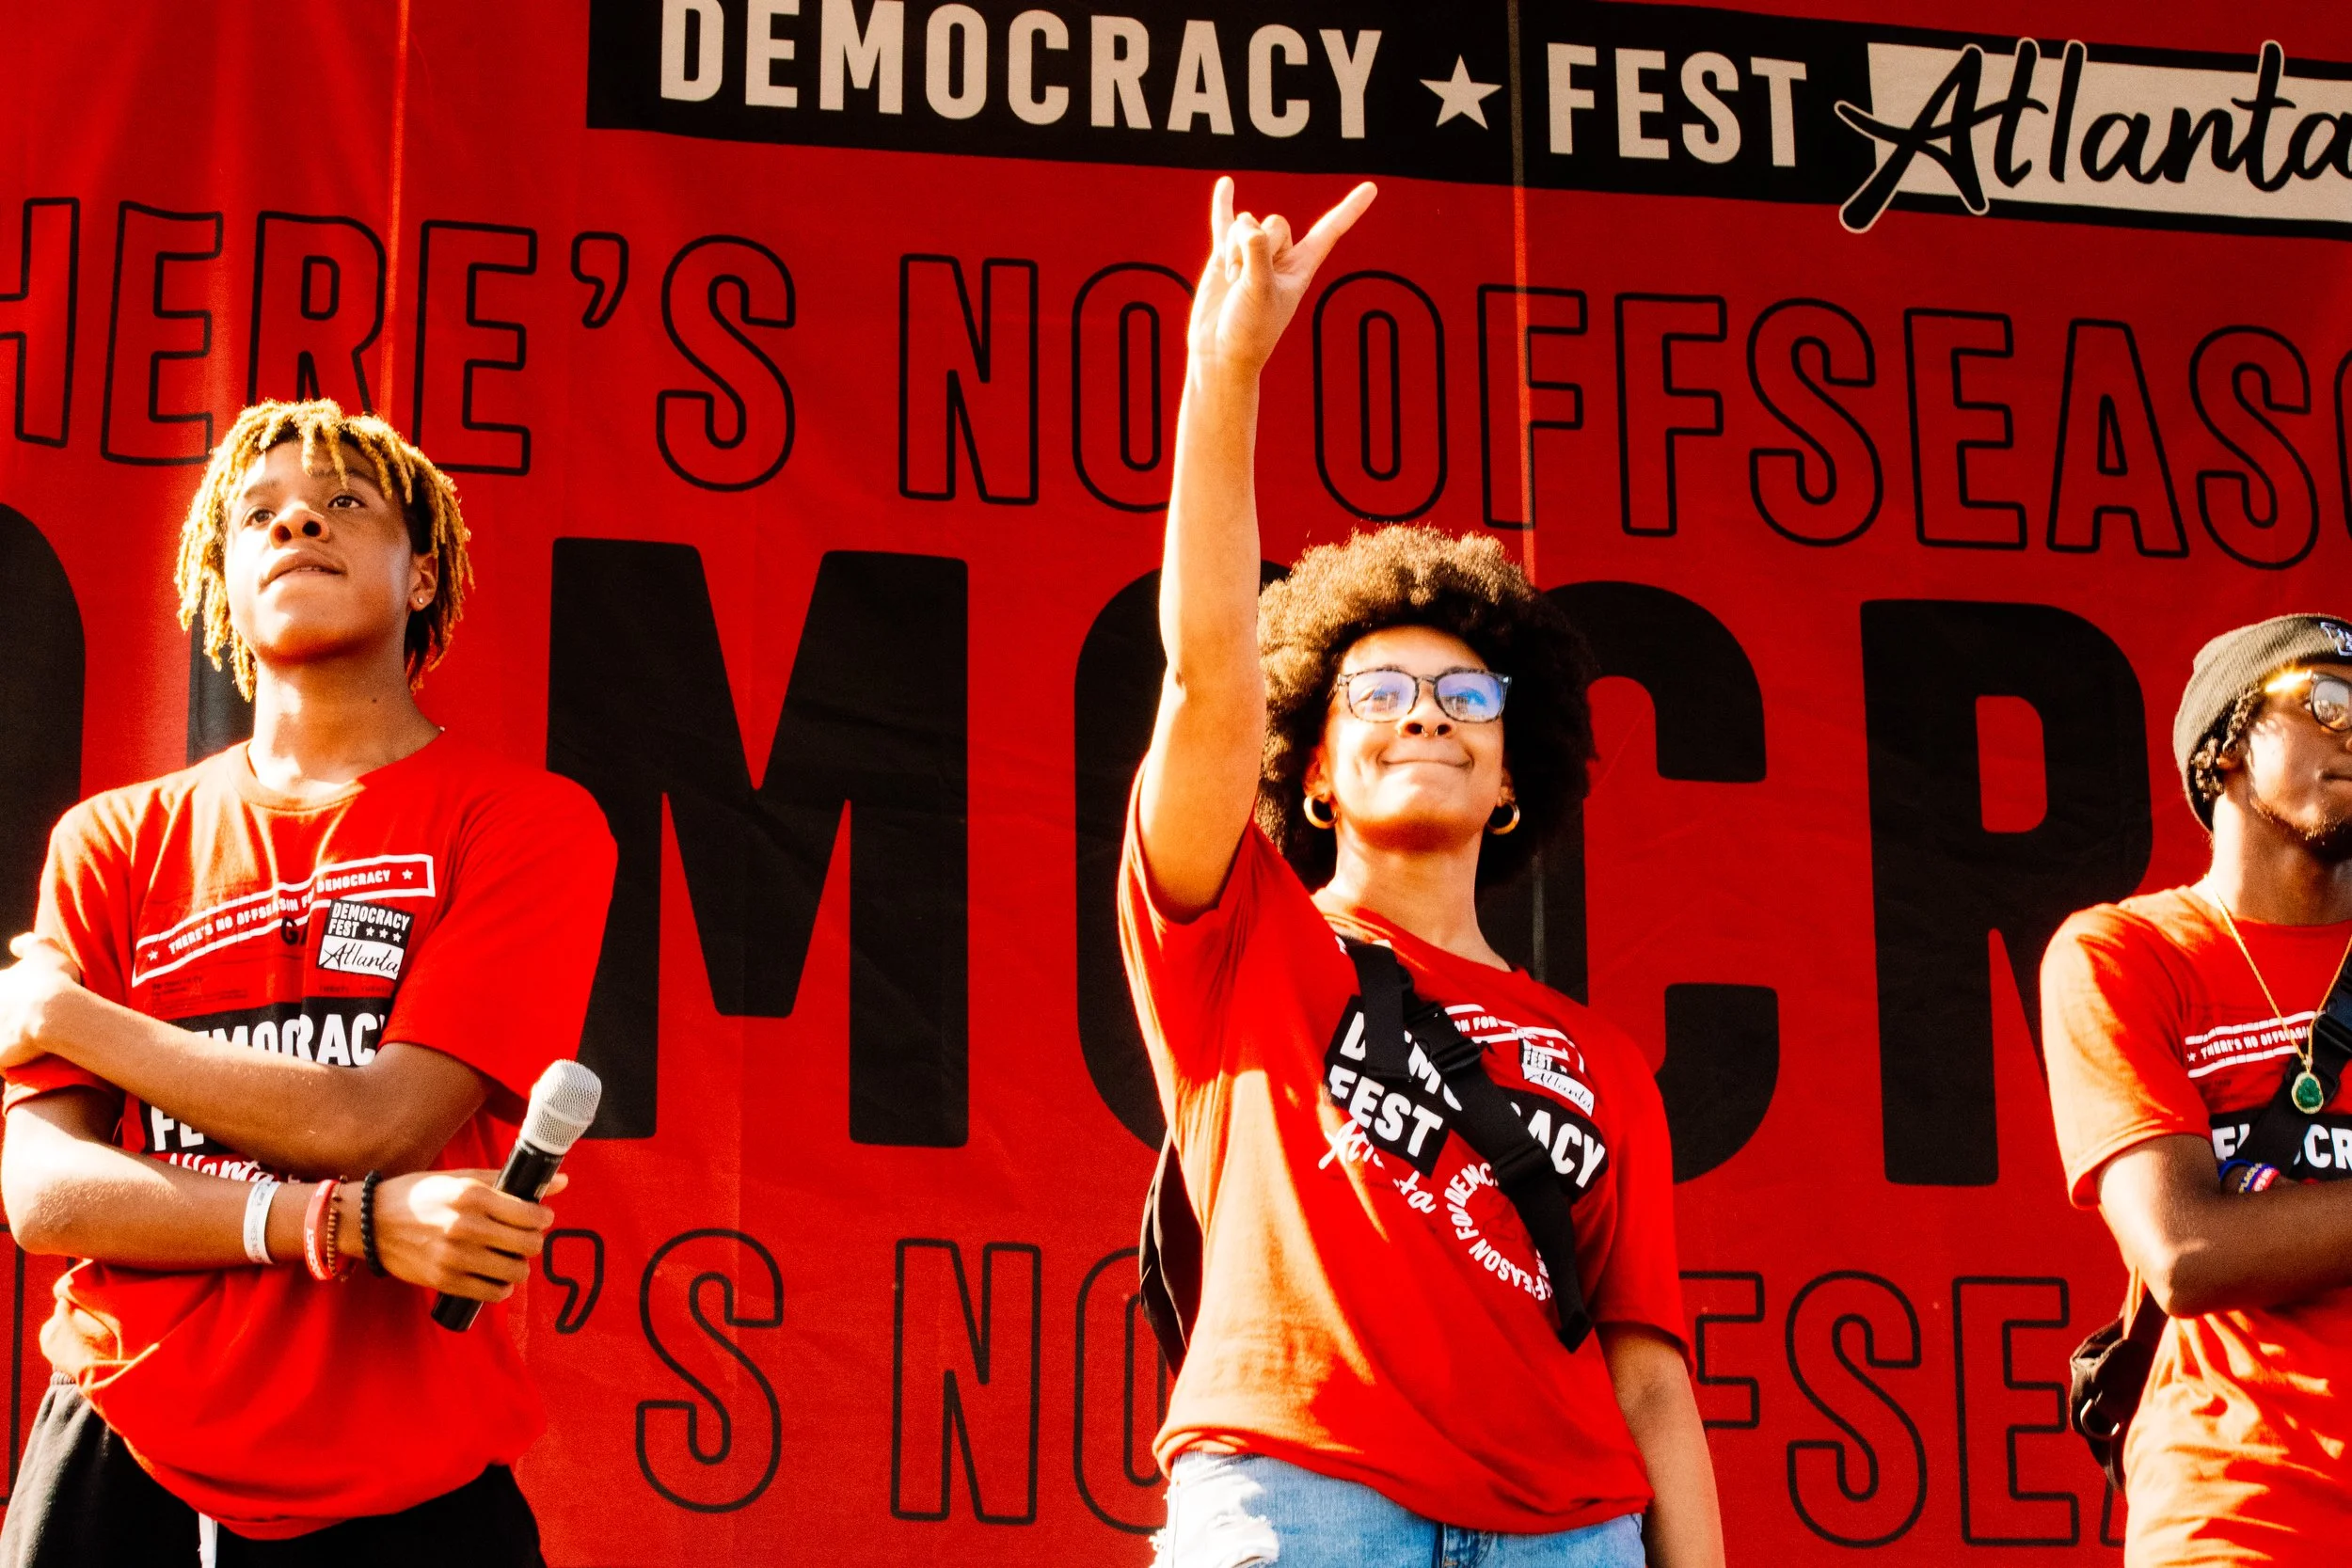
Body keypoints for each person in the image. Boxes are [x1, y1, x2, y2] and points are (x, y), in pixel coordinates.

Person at [1120, 178, 1723, 1568]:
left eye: (1468, 698)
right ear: (1312, 769)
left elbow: (1648, 1383)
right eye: (1379, 692)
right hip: (1305, 1502)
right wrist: (1227, 374)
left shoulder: (1605, 1060)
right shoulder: (1241, 939)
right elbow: (1207, 675)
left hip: (1572, 1534)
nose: (1428, 717)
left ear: (1512, 778)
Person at [0, 400, 616, 1566]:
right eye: (260, 514)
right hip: (117, 1446)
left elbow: (374, 1123)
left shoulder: (529, 822)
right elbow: (43, 1192)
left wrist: (65, 1016)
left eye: (344, 503)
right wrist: (335, 1225)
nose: (298, 523)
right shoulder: (110, 839)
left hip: (411, 1477)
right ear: (222, 584)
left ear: (422, 574)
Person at [2043, 613, 2352, 1565]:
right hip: (2245, 1507)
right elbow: (2184, 1249)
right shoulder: (2125, 951)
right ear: (2225, 746)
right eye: (2327, 703)